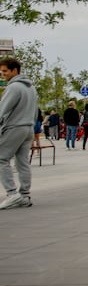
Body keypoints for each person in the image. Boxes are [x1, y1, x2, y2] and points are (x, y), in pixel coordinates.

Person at [0, 57, 38, 209]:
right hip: (28, 126)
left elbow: (3, 109)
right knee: (22, 162)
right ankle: (24, 195)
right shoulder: (31, 88)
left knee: (1, 159)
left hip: (15, 127)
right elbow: (35, 111)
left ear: (14, 70)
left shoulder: (14, 87)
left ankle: (12, 194)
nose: (2, 74)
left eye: (4, 71)